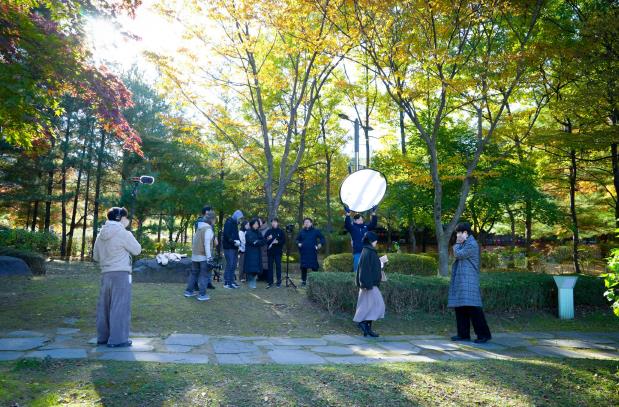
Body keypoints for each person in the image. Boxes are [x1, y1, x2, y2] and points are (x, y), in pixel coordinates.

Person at [93, 207, 141, 348]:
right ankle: (118, 339)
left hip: (105, 273)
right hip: (121, 274)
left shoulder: (101, 234)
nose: (128, 220)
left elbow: (96, 256)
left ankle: (103, 337)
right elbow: (137, 250)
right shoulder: (123, 233)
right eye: (126, 218)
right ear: (120, 218)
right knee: (120, 306)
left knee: (104, 307)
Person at [448, 222, 492, 343]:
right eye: (457, 232)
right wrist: (459, 243)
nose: (457, 235)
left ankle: (484, 335)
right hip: (462, 279)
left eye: (459, 232)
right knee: (460, 307)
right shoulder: (465, 243)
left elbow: (458, 254)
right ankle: (463, 334)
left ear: (465, 233)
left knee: (474, 308)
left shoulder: (471, 244)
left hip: (469, 280)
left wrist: (457, 243)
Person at [353, 231, 385, 337]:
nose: (376, 242)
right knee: (378, 305)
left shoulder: (368, 250)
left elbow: (369, 266)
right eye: (375, 240)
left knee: (369, 307)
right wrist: (366, 284)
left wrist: (380, 263)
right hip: (368, 285)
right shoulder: (368, 251)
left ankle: (367, 329)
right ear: (371, 240)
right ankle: (362, 323)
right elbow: (364, 269)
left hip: (369, 284)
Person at [184, 211, 215, 301]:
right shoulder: (208, 229)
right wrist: (209, 258)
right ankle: (202, 294)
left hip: (195, 255)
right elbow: (207, 244)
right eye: (214, 219)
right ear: (212, 220)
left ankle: (189, 291)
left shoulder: (199, 228)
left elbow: (194, 242)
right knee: (204, 275)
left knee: (194, 274)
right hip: (203, 256)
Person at [344, 204, 378, 273]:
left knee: (367, 271)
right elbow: (347, 224)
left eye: (362, 220)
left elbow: (373, 224)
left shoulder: (366, 227)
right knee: (357, 271)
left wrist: (373, 213)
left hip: (367, 252)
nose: (361, 221)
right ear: (355, 220)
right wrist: (348, 214)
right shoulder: (352, 228)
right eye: (359, 220)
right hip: (357, 253)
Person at [295, 217, 326, 287]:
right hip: (304, 252)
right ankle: (303, 281)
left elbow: (322, 238)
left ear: (311, 223)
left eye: (308, 222)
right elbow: (296, 240)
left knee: (314, 267)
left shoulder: (315, 231)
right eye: (305, 222)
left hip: (312, 252)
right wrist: (298, 243)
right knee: (303, 267)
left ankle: (315, 281)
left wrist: (320, 244)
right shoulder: (301, 231)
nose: (306, 223)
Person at [194, 205, 217, 290]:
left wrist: (214, 238)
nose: (210, 213)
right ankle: (196, 284)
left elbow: (212, 232)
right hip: (202, 247)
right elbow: (201, 234)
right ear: (205, 212)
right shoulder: (200, 221)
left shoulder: (210, 221)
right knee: (199, 268)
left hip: (210, 245)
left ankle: (208, 282)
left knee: (209, 266)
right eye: (209, 211)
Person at [222, 210, 243, 289]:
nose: (240, 220)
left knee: (234, 265)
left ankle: (231, 281)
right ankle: (227, 282)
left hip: (234, 247)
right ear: (236, 216)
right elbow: (226, 235)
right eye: (239, 218)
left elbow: (236, 235)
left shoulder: (235, 224)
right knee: (230, 264)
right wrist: (233, 241)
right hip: (229, 247)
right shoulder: (229, 222)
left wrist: (239, 242)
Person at [244, 218, 265, 289]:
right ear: (252, 224)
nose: (256, 225)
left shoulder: (258, 232)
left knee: (256, 269)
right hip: (250, 253)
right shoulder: (248, 232)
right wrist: (257, 242)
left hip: (257, 252)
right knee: (250, 269)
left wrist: (257, 242)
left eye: (257, 224)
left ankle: (253, 281)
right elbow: (251, 241)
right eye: (255, 224)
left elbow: (263, 241)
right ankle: (251, 282)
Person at [265, 218, 286, 288]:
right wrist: (268, 239)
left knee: (278, 267)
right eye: (272, 222)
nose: (273, 223)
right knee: (270, 267)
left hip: (278, 252)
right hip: (270, 252)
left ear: (277, 223)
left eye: (275, 222)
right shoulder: (268, 231)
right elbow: (265, 240)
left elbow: (283, 241)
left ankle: (278, 282)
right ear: (271, 223)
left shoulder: (281, 231)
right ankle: (270, 282)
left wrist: (278, 242)